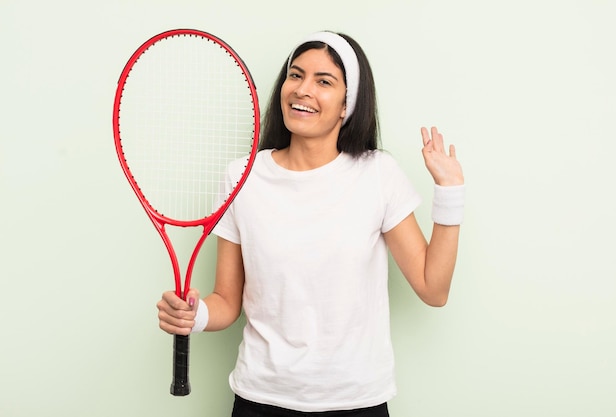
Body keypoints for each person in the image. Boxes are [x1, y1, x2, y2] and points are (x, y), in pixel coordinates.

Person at [157, 30, 465, 416]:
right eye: (296, 75)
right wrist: (194, 315)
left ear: (346, 105)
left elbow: (433, 289)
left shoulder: (378, 174)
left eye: (324, 81)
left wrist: (450, 192)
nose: (303, 90)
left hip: (356, 401)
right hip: (260, 399)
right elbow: (226, 301)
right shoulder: (243, 177)